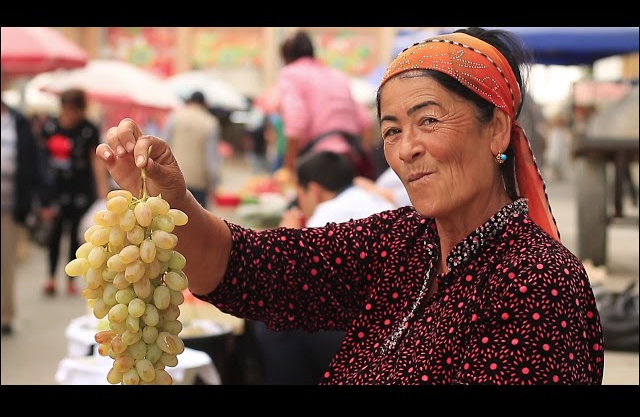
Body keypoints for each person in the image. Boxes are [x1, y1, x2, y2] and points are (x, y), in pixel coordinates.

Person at [97, 27, 604, 385]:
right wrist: (173, 199)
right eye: (391, 130)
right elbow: (253, 269)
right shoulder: (400, 242)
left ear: (494, 128)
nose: (406, 149)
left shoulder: (539, 282)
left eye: (428, 121)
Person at [253, 150, 396, 384]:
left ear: (315, 190)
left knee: (274, 320)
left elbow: (291, 280)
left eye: (300, 194)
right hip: (394, 324)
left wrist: (289, 239)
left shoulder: (327, 216)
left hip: (375, 340)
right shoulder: (373, 199)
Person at [277, 30, 376, 179]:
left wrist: (289, 167)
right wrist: (360, 154)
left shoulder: (291, 73)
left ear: (286, 58)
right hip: (349, 159)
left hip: (318, 160)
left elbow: (296, 122)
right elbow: (365, 122)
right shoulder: (336, 75)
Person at [39, 88, 109, 296]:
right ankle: (51, 277)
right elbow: (41, 160)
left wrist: (103, 192)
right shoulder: (50, 127)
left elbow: (95, 160)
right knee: (54, 234)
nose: (69, 114)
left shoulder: (88, 129)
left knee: (75, 235)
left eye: (73, 110)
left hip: (80, 190)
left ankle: (70, 279)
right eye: (66, 109)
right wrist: (41, 195)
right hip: (55, 190)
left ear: (81, 110)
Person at [1, 76, 42, 335]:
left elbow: (32, 162)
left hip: (8, 205)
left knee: (6, 263)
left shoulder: (18, 120)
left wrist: (35, 201)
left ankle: (5, 316)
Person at [163, 91, 222, 209]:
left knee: (175, 221)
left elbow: (164, 144)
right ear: (204, 103)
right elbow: (211, 157)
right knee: (197, 224)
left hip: (174, 177)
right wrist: (214, 182)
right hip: (199, 181)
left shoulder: (174, 117)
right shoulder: (210, 122)